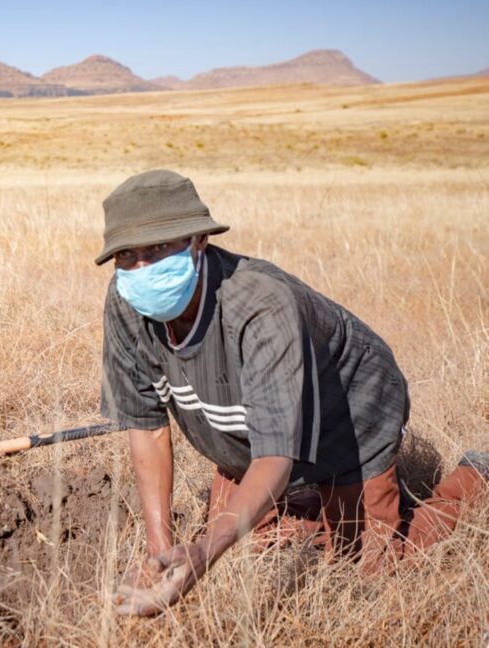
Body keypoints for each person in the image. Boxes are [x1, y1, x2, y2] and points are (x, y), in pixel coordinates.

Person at [96, 170, 488, 616]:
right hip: (249, 432)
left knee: (362, 573)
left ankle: (475, 479)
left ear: (198, 241)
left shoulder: (260, 305)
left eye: (159, 248)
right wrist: (158, 554)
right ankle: (303, 507)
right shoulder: (127, 303)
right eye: (126, 254)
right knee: (244, 556)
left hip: (349, 417)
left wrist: (204, 552)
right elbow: (148, 427)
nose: (142, 267)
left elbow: (275, 458)